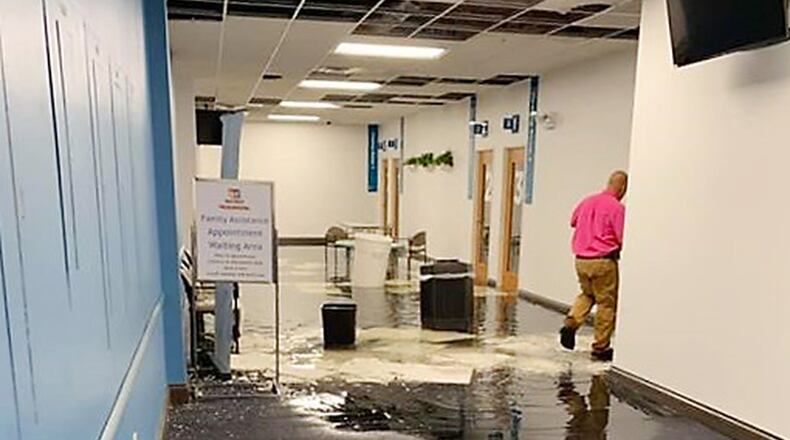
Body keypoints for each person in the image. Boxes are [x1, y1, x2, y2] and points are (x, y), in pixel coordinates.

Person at [559, 171, 627, 362]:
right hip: (603, 260)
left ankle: (571, 322)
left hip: (581, 260)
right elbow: (622, 236)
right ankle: (601, 347)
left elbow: (573, 221)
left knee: (587, 294)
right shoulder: (617, 208)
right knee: (606, 303)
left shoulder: (587, 201)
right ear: (622, 188)